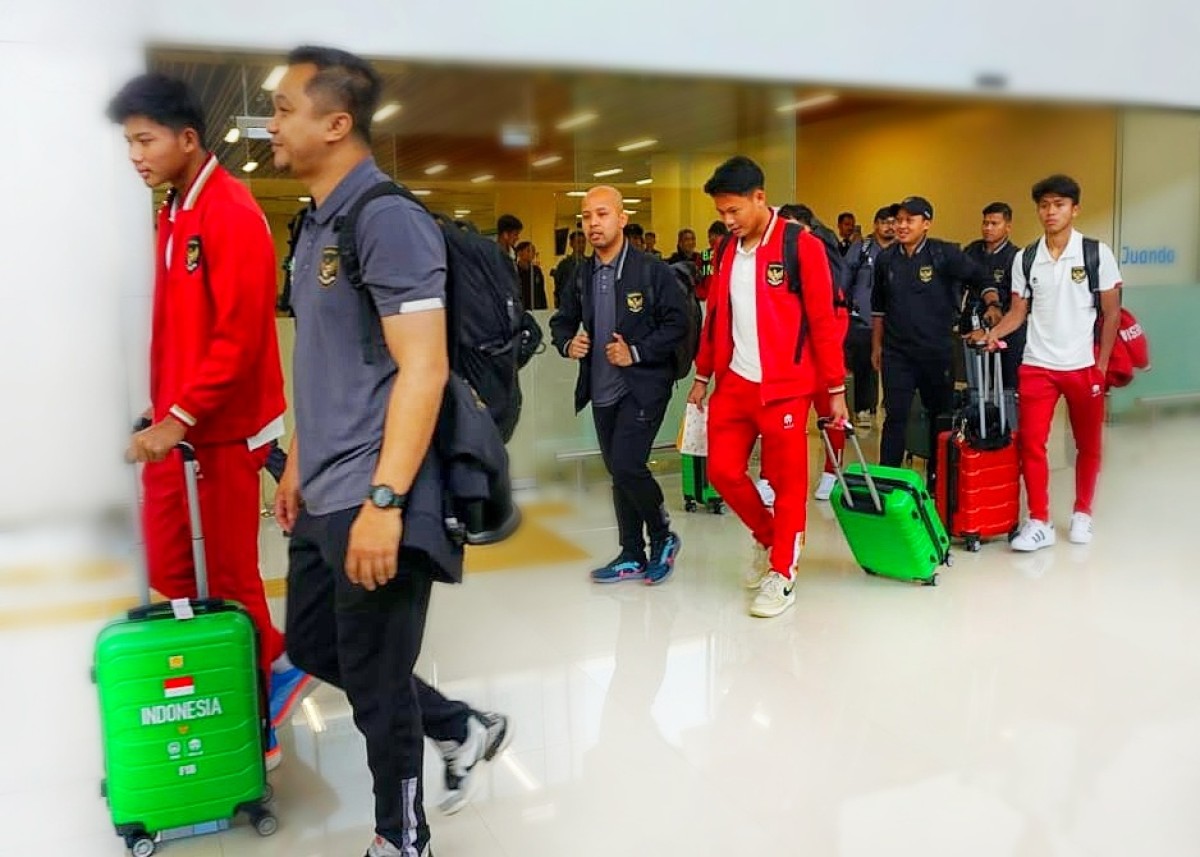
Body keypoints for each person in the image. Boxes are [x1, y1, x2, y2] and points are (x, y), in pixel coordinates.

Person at [267, 46, 509, 857]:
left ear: (336, 123)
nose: (272, 122)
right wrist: (300, 460)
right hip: (327, 489)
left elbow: (425, 365)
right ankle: (458, 723)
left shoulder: (385, 218)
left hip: (379, 494)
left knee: (374, 681)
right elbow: (331, 361)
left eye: (285, 107)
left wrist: (386, 500)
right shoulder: (316, 225)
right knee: (312, 643)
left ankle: (401, 837)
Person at [108, 73, 312, 772]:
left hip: (222, 430)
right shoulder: (174, 211)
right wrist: (161, 408)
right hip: (185, 424)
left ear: (186, 139)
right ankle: (242, 679)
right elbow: (179, 330)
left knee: (226, 574)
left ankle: (269, 682)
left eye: (144, 139)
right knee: (175, 568)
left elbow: (239, 336)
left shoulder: (230, 211)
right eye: (129, 141)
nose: (134, 153)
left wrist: (181, 415)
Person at [688, 156, 849, 619]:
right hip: (735, 381)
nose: (727, 221)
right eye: (721, 213)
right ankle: (767, 535)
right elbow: (716, 316)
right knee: (721, 471)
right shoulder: (723, 251)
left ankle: (783, 573)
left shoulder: (801, 245)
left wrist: (834, 388)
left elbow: (823, 321)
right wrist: (702, 376)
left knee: (788, 482)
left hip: (785, 386)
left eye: (734, 211)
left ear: (760, 198)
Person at [968, 175, 1121, 551]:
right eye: (1044, 205)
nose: (1051, 212)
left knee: (1088, 444)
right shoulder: (1027, 257)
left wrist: (1100, 366)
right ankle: (1039, 521)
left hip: (1083, 366)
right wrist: (991, 335)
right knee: (1032, 445)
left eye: (1059, 205)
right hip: (1037, 364)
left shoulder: (1095, 253)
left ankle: (1083, 512)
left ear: (1074, 209)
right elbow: (1018, 312)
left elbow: (1111, 313)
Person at [550, 186, 686, 585]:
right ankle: (631, 552)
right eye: (587, 216)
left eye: (602, 214)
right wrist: (566, 342)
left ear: (622, 219)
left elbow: (676, 325)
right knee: (619, 470)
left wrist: (637, 353)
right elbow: (561, 320)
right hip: (602, 387)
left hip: (644, 385)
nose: (593, 223)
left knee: (627, 463)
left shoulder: (651, 271)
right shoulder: (582, 274)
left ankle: (662, 535)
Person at [871, 195, 989, 486]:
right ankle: (889, 479)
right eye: (898, 220)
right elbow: (878, 308)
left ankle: (941, 478)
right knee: (895, 416)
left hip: (936, 351)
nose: (901, 225)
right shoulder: (886, 258)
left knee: (940, 415)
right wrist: (877, 346)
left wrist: (988, 305)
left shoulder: (944, 254)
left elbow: (979, 277)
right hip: (897, 353)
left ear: (926, 224)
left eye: (909, 220)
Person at [963, 201, 1025, 388]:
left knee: (1008, 383)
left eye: (994, 224)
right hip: (974, 322)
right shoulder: (972, 251)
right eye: (985, 223)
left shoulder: (1015, 256)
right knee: (977, 384)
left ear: (1007, 227)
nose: (988, 228)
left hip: (1006, 325)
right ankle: (979, 416)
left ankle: (1007, 416)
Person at [844, 205, 896, 428]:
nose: (889, 227)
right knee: (864, 362)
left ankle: (890, 405)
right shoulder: (862, 248)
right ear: (876, 225)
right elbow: (845, 279)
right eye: (884, 222)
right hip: (863, 317)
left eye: (893, 222)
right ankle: (864, 407)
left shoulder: (901, 250)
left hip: (894, 318)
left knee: (894, 363)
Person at [552, 229, 588, 307]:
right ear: (571, 244)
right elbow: (558, 287)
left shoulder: (589, 263)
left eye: (583, 242)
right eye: (578, 242)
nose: (581, 245)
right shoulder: (564, 265)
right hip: (568, 305)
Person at [515, 240, 548, 309]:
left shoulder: (536, 270)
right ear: (520, 253)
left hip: (536, 308)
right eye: (529, 251)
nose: (532, 253)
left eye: (533, 251)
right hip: (522, 308)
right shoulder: (514, 271)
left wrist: (544, 308)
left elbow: (541, 292)